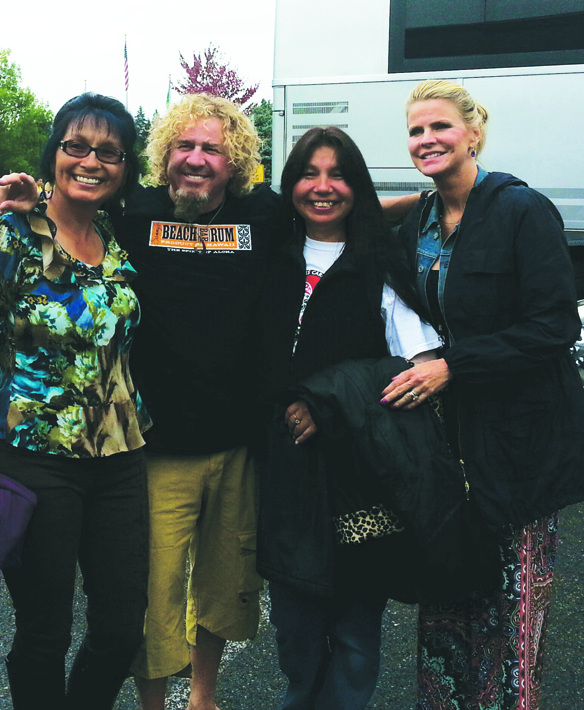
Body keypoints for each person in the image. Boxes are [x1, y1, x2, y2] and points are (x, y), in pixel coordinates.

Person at [0, 94, 419, 710]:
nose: (196, 159)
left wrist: (432, 204)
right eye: (184, 146)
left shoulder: (264, 216)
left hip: (241, 443)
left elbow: (338, 209)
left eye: (212, 149)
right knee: (153, 594)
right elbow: (72, 196)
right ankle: (153, 703)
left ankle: (204, 698)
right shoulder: (131, 210)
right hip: (153, 446)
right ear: (164, 156)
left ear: (236, 160)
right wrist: (23, 201)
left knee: (225, 588)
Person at [0, 93, 151, 710]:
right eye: (76, 145)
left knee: (122, 628)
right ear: (54, 155)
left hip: (122, 455)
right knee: (45, 632)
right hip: (33, 456)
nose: (92, 161)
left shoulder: (116, 236)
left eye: (109, 152)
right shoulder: (11, 236)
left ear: (125, 167)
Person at [381, 79, 584, 709]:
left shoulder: (522, 210)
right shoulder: (419, 218)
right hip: (449, 445)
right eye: (416, 131)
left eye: (440, 127)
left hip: (519, 444)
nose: (427, 140)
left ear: (473, 132)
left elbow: (555, 326)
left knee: (510, 610)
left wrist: (453, 367)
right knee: (448, 592)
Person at [255, 126, 445, 710]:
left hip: (361, 477)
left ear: (356, 185)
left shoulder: (377, 264)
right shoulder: (267, 259)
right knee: (296, 629)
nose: (322, 187)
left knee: (357, 633)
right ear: (290, 185)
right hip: (285, 475)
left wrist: (328, 403)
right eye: (309, 173)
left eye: (338, 174)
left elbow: (417, 367)